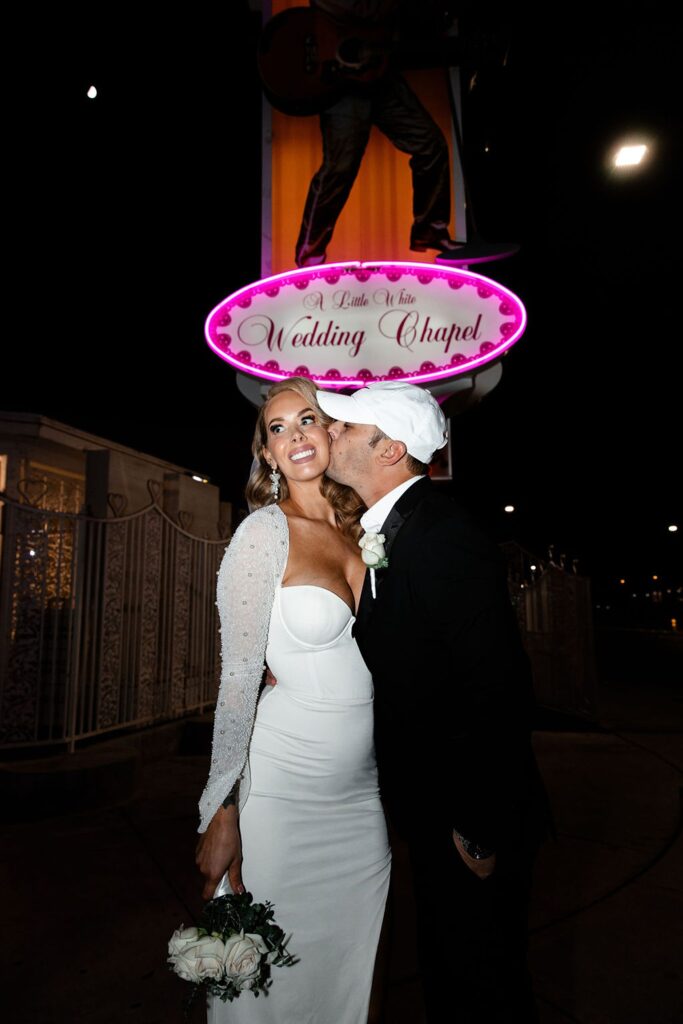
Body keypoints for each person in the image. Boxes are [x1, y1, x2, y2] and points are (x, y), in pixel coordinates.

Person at [317, 380, 553, 1023]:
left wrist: (477, 827)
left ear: (390, 449)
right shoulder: (396, 530)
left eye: (345, 428)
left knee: (483, 986)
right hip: (429, 810)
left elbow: (499, 688)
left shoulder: (440, 533)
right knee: (449, 976)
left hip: (469, 818)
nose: (329, 434)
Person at [195, 377, 391, 1024]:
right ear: (268, 456)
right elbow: (237, 678)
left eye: (306, 419)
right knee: (267, 985)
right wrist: (221, 813)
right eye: (276, 428)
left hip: (362, 803)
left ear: (328, 433)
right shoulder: (260, 535)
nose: (294, 435)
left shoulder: (360, 526)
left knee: (345, 976)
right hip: (283, 794)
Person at [295, 0, 463, 267]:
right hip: (344, 78)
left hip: (378, 72)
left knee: (430, 144)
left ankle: (430, 229)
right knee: (340, 168)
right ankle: (310, 254)